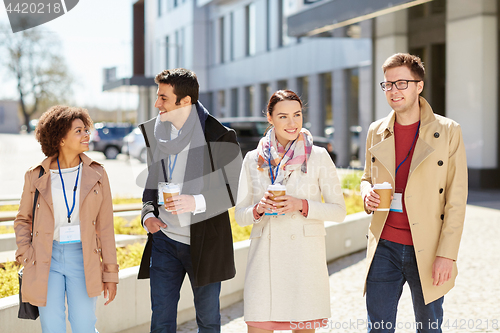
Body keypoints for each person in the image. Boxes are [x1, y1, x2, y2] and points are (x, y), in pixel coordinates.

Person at [361, 53, 467, 332]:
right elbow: (365, 178)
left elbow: (456, 199)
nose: (394, 90)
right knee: (379, 328)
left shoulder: (448, 131)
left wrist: (448, 254)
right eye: (388, 84)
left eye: (401, 83)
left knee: (429, 328)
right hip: (384, 244)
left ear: (419, 86)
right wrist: (366, 194)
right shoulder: (376, 130)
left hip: (428, 247)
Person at [137, 68, 242, 333]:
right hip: (164, 241)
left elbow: (235, 189)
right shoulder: (158, 133)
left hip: (204, 243)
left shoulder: (219, 135)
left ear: (185, 102)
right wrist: (148, 213)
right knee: (160, 320)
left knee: (208, 321)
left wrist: (196, 202)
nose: (156, 103)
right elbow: (152, 182)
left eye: (163, 97)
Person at [235, 90, 346, 333]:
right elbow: (240, 215)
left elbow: (339, 211)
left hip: (304, 261)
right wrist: (258, 208)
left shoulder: (318, 156)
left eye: (297, 115)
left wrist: (302, 205)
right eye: (283, 116)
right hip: (265, 259)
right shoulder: (254, 159)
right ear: (270, 118)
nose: (292, 123)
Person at [14, 105, 118, 332]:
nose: (86, 135)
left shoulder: (98, 173)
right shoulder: (36, 175)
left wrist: (111, 273)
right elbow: (23, 220)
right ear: (60, 138)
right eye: (79, 131)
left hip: (82, 257)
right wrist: (26, 253)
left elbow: (106, 227)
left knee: (84, 326)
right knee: (52, 328)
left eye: (86, 130)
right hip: (44, 259)